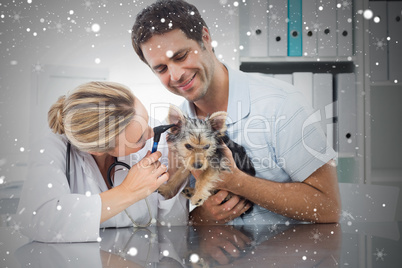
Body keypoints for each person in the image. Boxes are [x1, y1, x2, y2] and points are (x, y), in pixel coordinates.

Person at [131, 0, 341, 225]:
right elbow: (179, 214)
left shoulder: (282, 104)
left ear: (205, 37)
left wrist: (238, 182)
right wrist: (202, 216)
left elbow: (328, 208)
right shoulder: (177, 128)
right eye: (161, 68)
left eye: (181, 56)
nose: (175, 75)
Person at [15, 81, 188, 242]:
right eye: (139, 139)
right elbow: (36, 220)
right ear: (97, 150)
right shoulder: (52, 147)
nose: (152, 132)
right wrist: (128, 191)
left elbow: (173, 227)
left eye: (147, 119)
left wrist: (173, 182)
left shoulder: (154, 137)